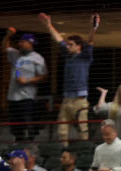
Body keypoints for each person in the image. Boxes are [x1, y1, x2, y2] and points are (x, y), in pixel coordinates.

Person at [39, 12, 97, 145]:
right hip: (66, 100)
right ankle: (63, 153)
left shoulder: (85, 56)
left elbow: (90, 40)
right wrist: (49, 25)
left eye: (71, 44)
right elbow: (58, 39)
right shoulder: (67, 56)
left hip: (80, 100)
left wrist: (93, 27)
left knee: (83, 130)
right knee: (62, 131)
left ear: (79, 46)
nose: (68, 46)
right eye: (68, 44)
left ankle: (84, 152)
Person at [2, 29, 47, 142]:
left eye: (22, 42)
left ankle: (30, 142)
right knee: (15, 123)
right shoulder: (15, 54)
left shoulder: (37, 58)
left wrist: (27, 80)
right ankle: (18, 141)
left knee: (27, 121)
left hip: (27, 96)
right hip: (13, 96)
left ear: (30, 43)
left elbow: (44, 76)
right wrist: (8, 35)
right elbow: (3, 48)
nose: (19, 44)